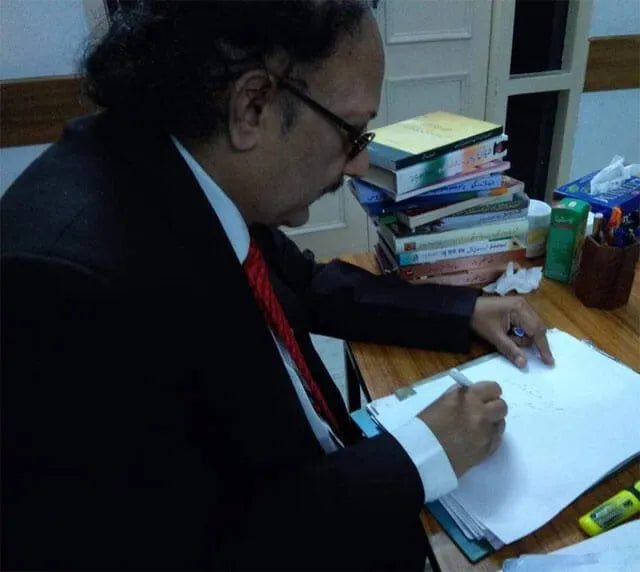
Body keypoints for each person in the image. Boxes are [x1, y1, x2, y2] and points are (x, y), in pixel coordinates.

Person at [1, 1, 554, 570]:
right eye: (351, 133)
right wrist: (419, 454)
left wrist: (463, 309)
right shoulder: (63, 290)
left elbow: (307, 285)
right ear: (253, 106)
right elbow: (191, 545)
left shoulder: (184, 163)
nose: (358, 165)